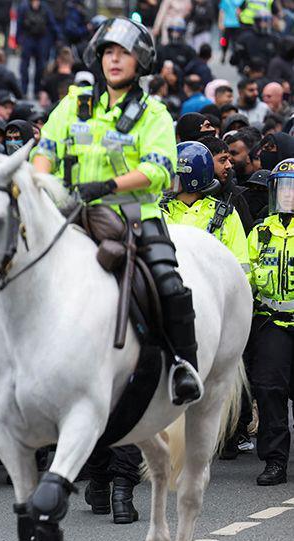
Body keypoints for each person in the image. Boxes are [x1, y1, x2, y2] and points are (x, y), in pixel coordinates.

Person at [32, 17, 202, 405]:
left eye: (123, 52)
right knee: (11, 259)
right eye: (108, 51)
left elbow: (159, 169)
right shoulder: (76, 102)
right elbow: (45, 151)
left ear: (139, 61)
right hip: (69, 211)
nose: (113, 59)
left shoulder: (153, 113)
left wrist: (108, 186)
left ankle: (183, 366)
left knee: (168, 283)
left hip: (132, 217)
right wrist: (43, 188)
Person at [246, 158, 294, 486]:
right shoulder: (261, 232)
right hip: (272, 322)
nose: (288, 195)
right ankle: (275, 460)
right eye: (283, 188)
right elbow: (245, 278)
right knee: (268, 389)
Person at [162, 142, 249, 268]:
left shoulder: (226, 215)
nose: (168, 180)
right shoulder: (160, 212)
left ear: (192, 179)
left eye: (173, 175)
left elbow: (242, 267)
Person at [17, 0, 60, 98]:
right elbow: (19, 23)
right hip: (28, 38)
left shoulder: (45, 7)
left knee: (40, 67)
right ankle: (24, 90)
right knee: (24, 66)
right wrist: (19, 40)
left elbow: (51, 22)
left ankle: (37, 90)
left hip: (41, 39)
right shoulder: (24, 7)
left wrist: (58, 37)